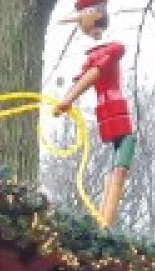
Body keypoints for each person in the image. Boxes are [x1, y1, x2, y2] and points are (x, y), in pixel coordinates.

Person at [54, 0, 137, 228]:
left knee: (122, 154)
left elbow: (92, 75)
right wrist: (67, 98)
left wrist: (68, 100)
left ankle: (106, 220)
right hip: (106, 110)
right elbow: (84, 76)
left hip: (115, 108)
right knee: (118, 158)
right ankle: (104, 220)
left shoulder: (113, 48)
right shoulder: (94, 53)